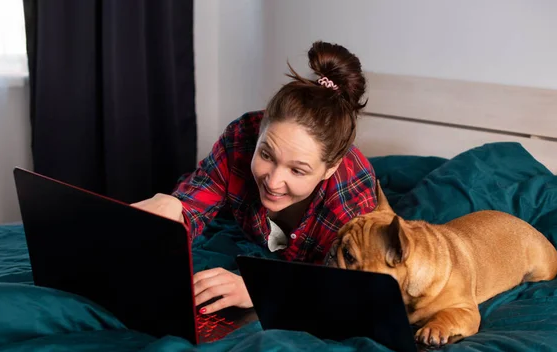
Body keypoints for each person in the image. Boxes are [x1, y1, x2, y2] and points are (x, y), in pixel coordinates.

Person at [132, 41, 378, 314]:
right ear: (259, 132)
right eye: (267, 155)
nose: (272, 182)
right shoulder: (241, 136)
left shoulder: (352, 200)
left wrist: (259, 288)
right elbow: (198, 196)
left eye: (297, 170)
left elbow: (349, 290)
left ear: (330, 168)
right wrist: (174, 206)